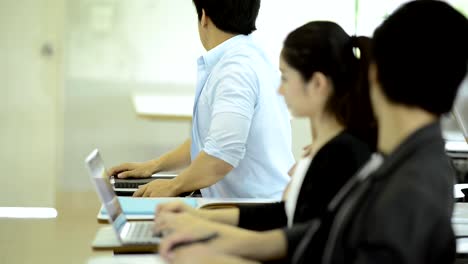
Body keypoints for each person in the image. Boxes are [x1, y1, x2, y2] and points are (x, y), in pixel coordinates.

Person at [156, 1, 468, 263]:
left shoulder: (410, 185)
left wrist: (214, 258)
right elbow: (319, 234)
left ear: (375, 73)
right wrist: (207, 228)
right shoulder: (397, 162)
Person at [153, 19, 376, 261]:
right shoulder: (331, 148)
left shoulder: (341, 155)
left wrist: (213, 241)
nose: (280, 91)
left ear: (317, 84)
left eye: (286, 78)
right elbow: (284, 216)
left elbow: (306, 244)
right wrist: (201, 217)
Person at [108, 0, 294, 198]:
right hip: (256, 201)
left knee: (157, 215)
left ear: (204, 17)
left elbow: (221, 154)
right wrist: (154, 166)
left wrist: (173, 186)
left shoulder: (235, 70)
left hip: (255, 209)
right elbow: (211, 141)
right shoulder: (249, 57)